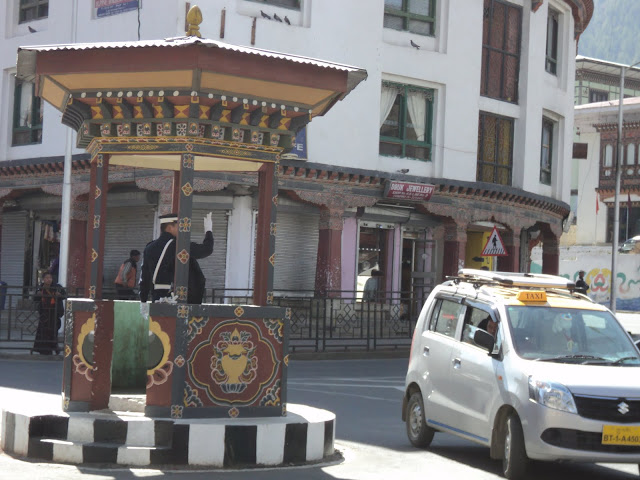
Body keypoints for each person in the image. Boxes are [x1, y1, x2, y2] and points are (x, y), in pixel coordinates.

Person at [139, 212, 214, 305]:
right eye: (179, 226)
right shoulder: (178, 245)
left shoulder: (149, 247)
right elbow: (206, 250)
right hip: (176, 300)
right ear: (169, 228)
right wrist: (208, 231)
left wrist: (143, 301)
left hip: (157, 300)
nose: (182, 230)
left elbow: (144, 277)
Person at [32, 272, 65, 355]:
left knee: (54, 331)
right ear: (43, 279)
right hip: (44, 313)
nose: (48, 279)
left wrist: (59, 295)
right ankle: (43, 349)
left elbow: (64, 295)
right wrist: (38, 295)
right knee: (43, 331)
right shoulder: (40, 288)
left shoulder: (57, 287)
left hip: (54, 312)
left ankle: (55, 347)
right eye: (46, 278)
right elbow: (35, 299)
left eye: (50, 278)